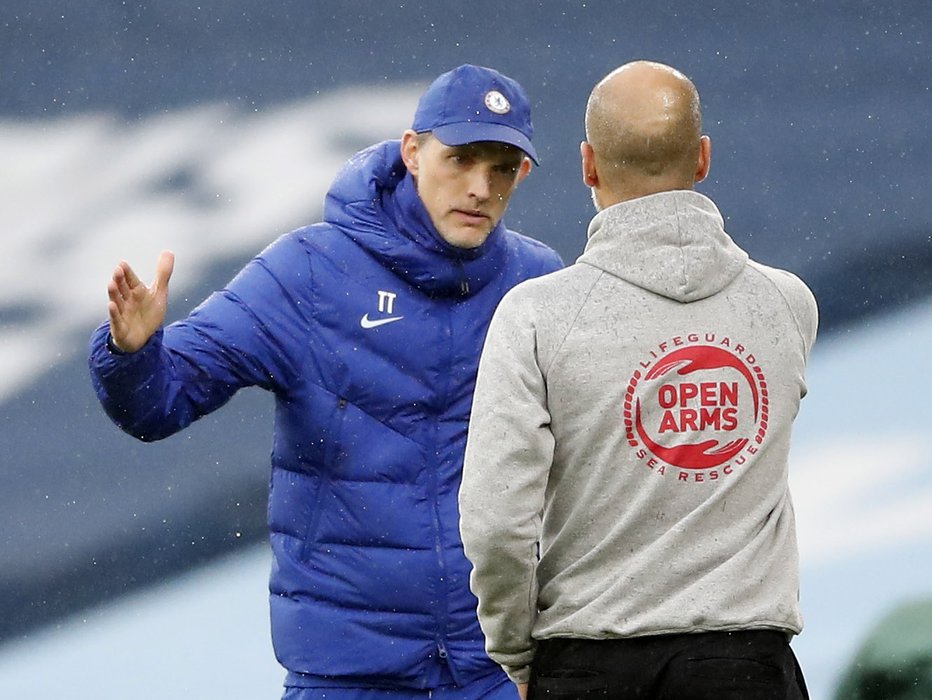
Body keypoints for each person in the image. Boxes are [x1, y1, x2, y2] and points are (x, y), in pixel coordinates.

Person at [88, 64, 563, 699]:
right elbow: (158, 405)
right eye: (461, 159)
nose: (479, 186)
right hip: (348, 672)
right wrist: (132, 351)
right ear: (413, 153)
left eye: (501, 167)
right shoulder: (307, 274)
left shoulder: (538, 283)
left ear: (522, 173)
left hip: (496, 671)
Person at [458, 60, 817, 700]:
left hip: (587, 666)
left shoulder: (536, 317)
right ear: (702, 158)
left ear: (588, 165)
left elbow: (496, 520)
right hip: (746, 667)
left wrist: (517, 650)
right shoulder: (787, 305)